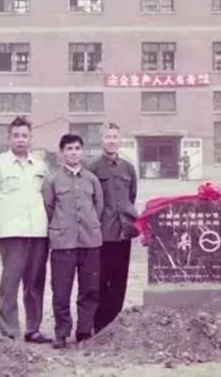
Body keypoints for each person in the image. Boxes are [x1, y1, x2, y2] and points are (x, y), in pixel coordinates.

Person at [0, 116, 52, 343]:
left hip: (38, 232)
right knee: (10, 282)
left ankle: (33, 329)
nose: (20, 140)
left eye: (24, 136)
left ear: (31, 138)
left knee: (35, 283)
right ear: (8, 138)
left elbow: (48, 197)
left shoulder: (40, 165)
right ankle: (9, 330)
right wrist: (4, 219)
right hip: (12, 234)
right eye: (16, 136)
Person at [43, 134, 104, 349]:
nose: (74, 152)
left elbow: (98, 206)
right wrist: (61, 226)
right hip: (63, 243)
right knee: (61, 291)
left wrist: (89, 225)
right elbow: (49, 207)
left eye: (77, 148)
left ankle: (84, 331)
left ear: (82, 151)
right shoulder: (52, 180)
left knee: (89, 289)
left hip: (89, 241)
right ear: (62, 152)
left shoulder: (92, 179)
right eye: (69, 148)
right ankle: (61, 332)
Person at [86, 123, 139, 333]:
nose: (111, 141)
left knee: (119, 279)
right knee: (100, 279)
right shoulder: (93, 169)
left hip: (123, 232)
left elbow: (131, 197)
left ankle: (114, 324)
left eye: (115, 137)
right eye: (108, 137)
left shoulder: (128, 168)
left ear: (120, 140)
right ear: (101, 140)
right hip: (101, 233)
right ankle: (99, 324)